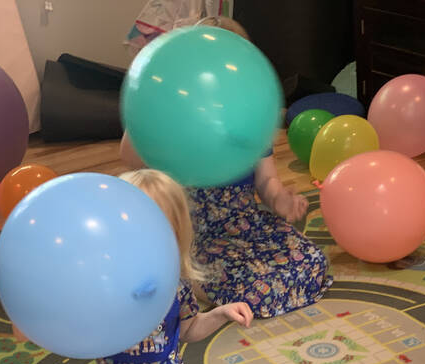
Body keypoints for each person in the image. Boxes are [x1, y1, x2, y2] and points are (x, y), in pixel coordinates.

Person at [120, 16, 333, 318]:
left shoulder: (248, 119)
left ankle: (199, 281)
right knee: (253, 288)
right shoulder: (176, 115)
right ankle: (187, 279)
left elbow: (267, 181)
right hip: (197, 233)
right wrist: (153, 103)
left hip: (246, 224)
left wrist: (280, 199)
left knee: (312, 261)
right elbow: (129, 157)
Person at [81, 169, 253, 364]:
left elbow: (187, 330)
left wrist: (220, 314)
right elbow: (84, 334)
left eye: (160, 229)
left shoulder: (174, 283)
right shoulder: (107, 291)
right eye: (135, 228)